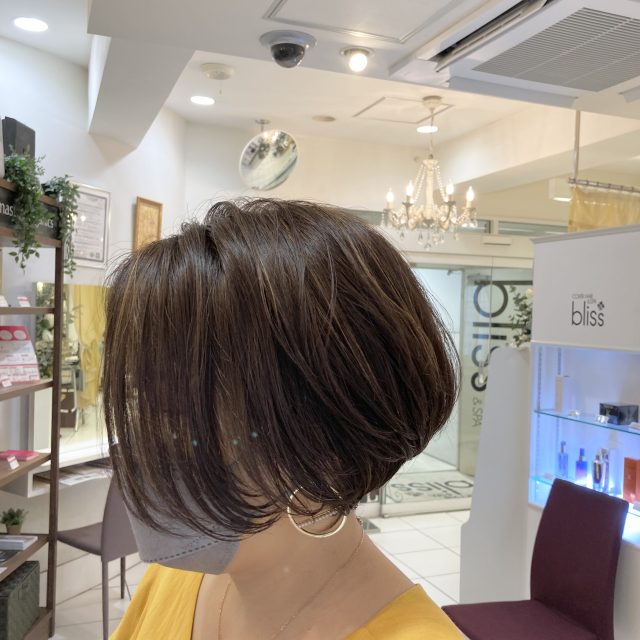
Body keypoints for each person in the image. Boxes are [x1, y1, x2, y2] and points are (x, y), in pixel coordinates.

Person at [104, 199, 461, 639]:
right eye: (140, 400)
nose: (142, 440)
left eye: (175, 411)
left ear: (316, 435)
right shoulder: (174, 580)